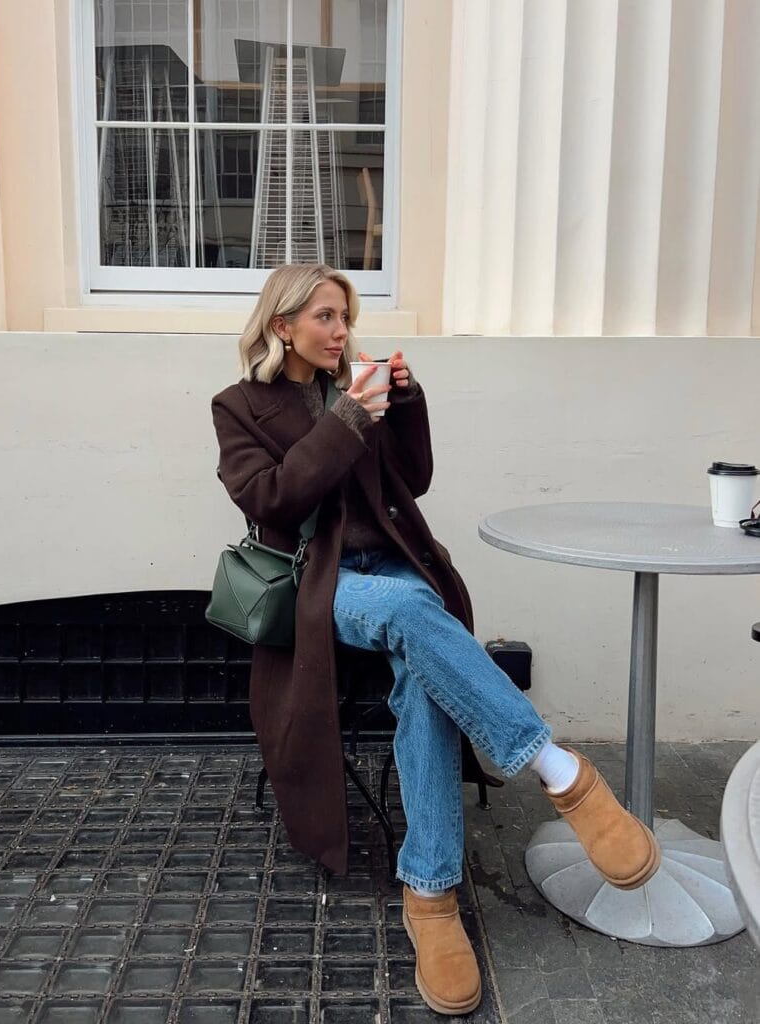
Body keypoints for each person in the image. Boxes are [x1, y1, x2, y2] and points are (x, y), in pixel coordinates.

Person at [211, 263, 660, 1017]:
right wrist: (345, 421)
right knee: (413, 612)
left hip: (393, 567)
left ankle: (431, 896)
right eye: (326, 317)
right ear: (282, 324)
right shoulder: (238, 406)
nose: (342, 331)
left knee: (423, 672)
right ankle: (559, 772)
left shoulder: (356, 387)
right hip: (318, 583)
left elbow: (411, 482)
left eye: (346, 317)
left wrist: (407, 402)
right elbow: (271, 498)